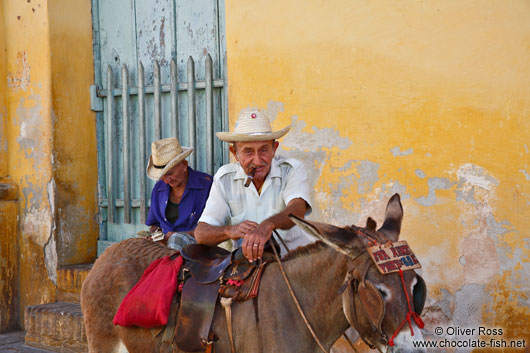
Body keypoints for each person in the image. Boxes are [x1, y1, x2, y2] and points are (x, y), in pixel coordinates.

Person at [195, 109, 314, 262]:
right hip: (250, 269)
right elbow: (201, 233)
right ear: (235, 153)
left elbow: (298, 209)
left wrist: (267, 226)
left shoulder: (291, 169)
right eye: (248, 152)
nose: (257, 161)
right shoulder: (225, 178)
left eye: (264, 150)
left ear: (274, 149)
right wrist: (230, 231)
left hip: (295, 263)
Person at [146, 137, 212, 251]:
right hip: (166, 247)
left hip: (198, 247)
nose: (166, 180)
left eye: (170, 173)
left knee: (176, 239)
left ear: (184, 165)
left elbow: (216, 226)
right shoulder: (159, 188)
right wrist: (157, 235)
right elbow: (154, 224)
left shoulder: (206, 185)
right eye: (162, 176)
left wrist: (182, 234)